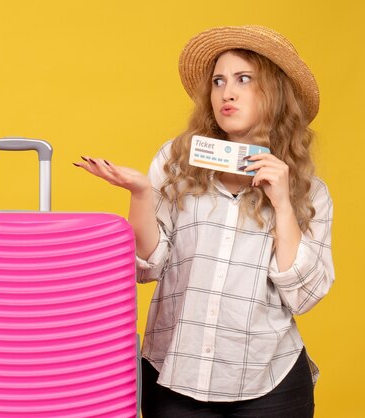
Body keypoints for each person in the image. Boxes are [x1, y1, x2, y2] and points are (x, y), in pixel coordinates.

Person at [74, 26, 334, 417]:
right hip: (176, 373)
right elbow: (148, 265)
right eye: (218, 81)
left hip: (270, 380)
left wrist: (282, 203)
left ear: (276, 94)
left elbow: (302, 294)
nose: (226, 93)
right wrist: (142, 194)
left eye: (244, 79)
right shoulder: (176, 162)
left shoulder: (309, 192)